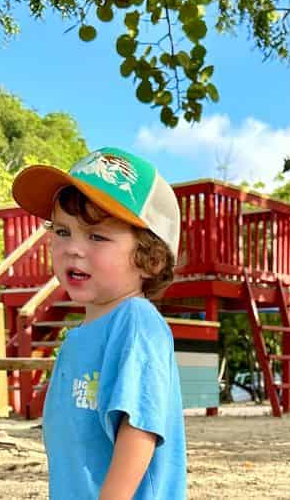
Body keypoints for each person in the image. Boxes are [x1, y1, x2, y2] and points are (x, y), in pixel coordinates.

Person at [12, 146, 186, 499]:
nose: (74, 248)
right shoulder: (78, 338)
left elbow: (139, 431)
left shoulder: (136, 324)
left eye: (97, 236)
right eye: (62, 232)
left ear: (149, 260)